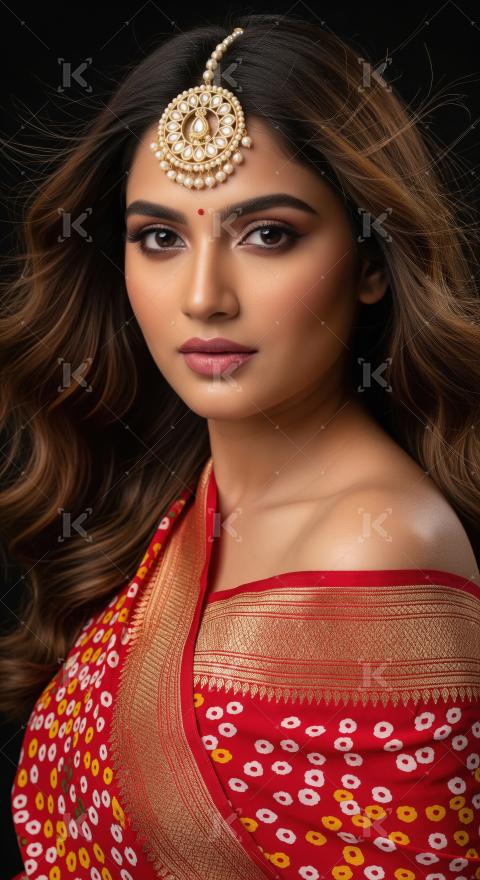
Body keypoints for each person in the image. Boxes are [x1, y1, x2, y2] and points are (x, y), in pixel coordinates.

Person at [2, 13, 480, 880]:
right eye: (159, 238)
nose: (203, 296)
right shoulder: (193, 505)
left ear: (371, 262)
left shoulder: (373, 543)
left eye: (268, 235)